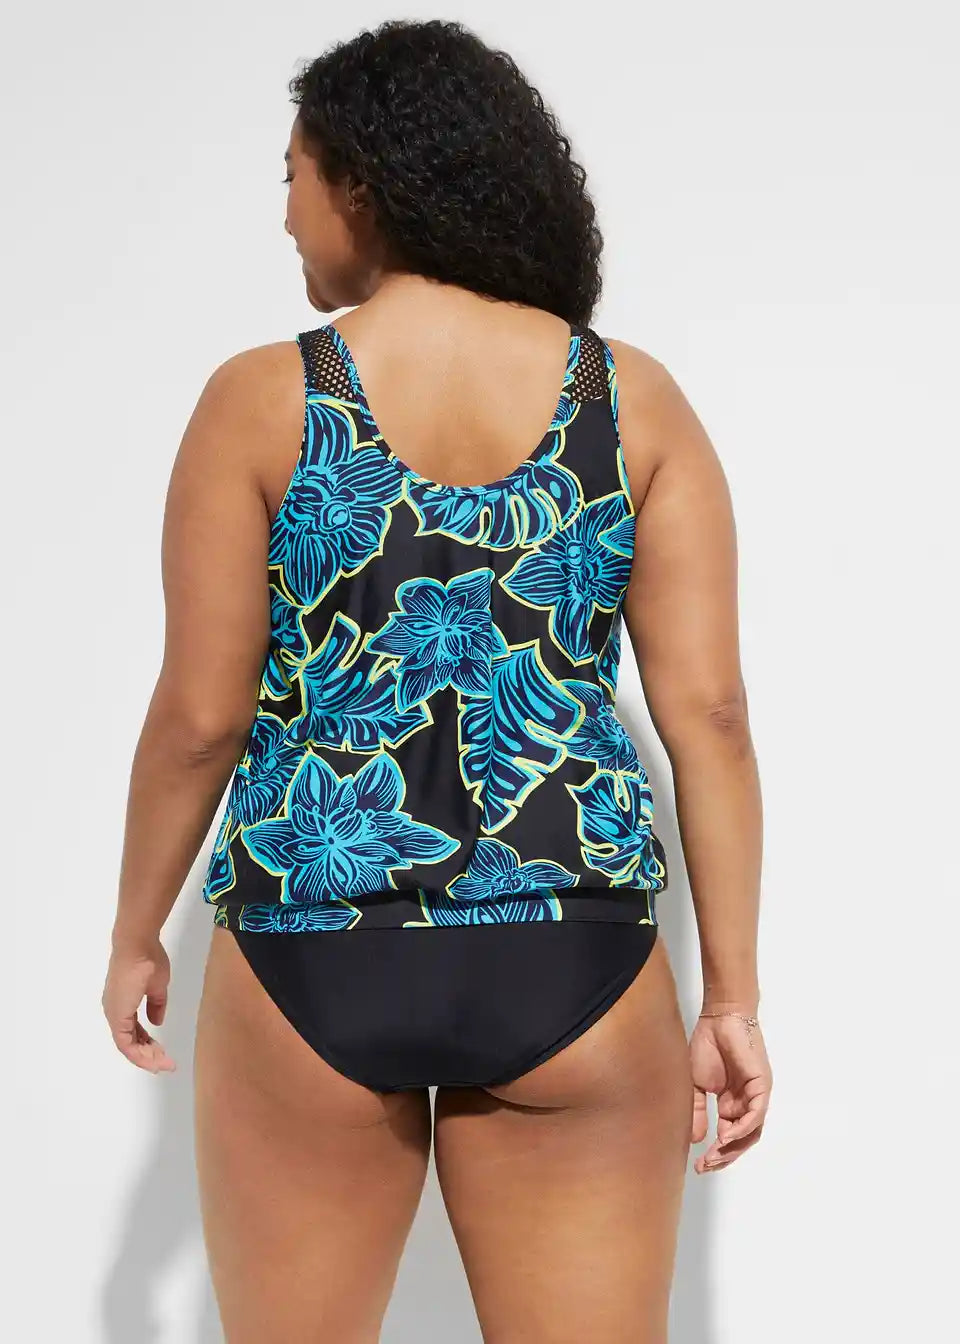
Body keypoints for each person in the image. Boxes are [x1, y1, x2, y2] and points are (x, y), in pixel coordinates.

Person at [101, 18, 772, 1342]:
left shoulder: (262, 400)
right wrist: (734, 997)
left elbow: (200, 718)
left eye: (292, 174)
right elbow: (710, 716)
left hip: (312, 951)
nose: (284, 213)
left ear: (363, 182)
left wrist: (135, 930)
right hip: (572, 954)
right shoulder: (629, 400)